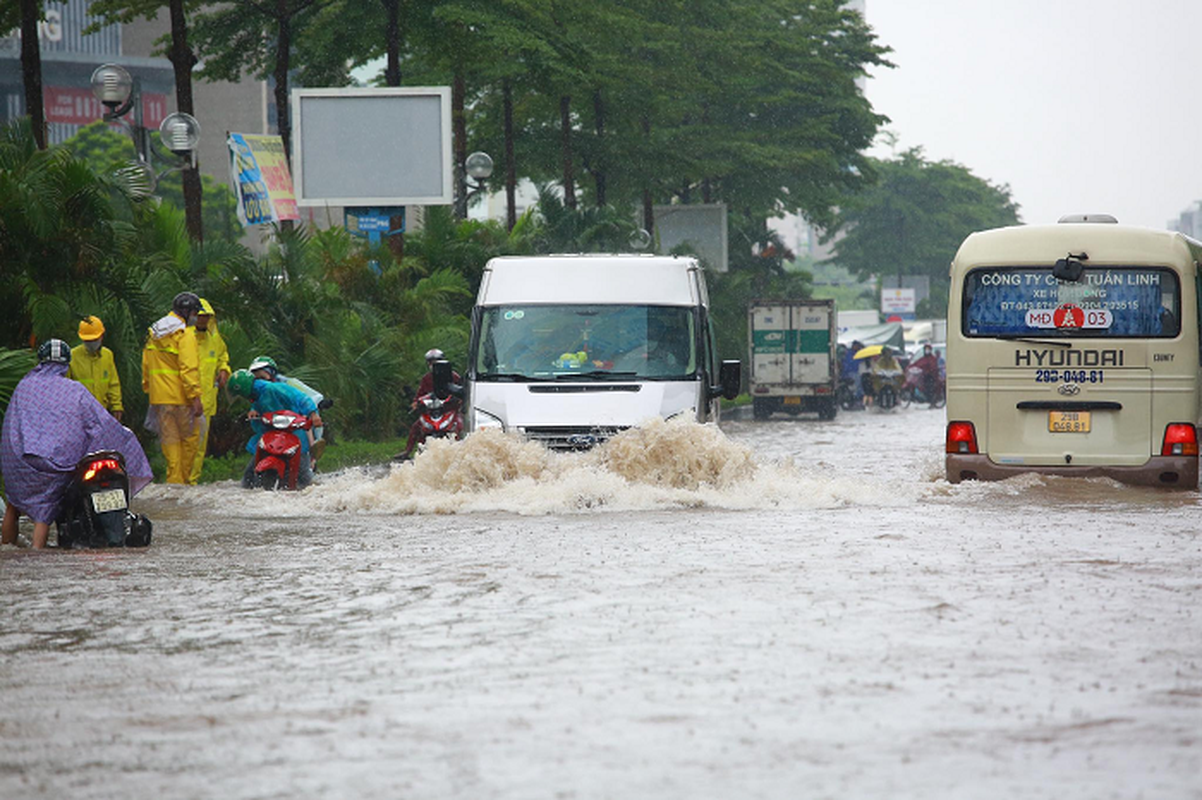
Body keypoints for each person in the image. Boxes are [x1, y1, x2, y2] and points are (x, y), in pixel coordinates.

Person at [1, 340, 152, 549]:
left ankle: (13, 553)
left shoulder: (24, 387)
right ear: (66, 364)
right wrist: (124, 435)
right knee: (43, 514)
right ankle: (37, 555)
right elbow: (99, 423)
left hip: (22, 462)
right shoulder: (75, 390)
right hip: (58, 466)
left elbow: (11, 426)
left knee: (13, 506)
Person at [142, 291, 203, 484]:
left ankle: (174, 483)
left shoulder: (155, 333)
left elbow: (146, 367)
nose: (196, 317)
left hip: (160, 400)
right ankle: (182, 484)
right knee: (189, 442)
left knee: (170, 443)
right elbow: (188, 368)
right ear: (187, 312)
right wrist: (195, 397)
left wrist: (150, 390)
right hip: (181, 400)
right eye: (195, 312)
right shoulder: (184, 334)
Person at [227, 369, 322, 489]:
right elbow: (259, 405)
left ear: (245, 391)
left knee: (303, 479)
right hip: (273, 435)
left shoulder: (273, 388)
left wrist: (313, 414)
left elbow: (300, 397)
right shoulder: (256, 395)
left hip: (295, 431)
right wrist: (253, 411)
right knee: (249, 477)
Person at [189, 299, 231, 485]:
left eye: (207, 317)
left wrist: (224, 370)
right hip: (186, 400)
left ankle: (192, 482)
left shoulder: (214, 338)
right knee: (183, 444)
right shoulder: (184, 337)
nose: (203, 320)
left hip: (207, 401)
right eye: (200, 316)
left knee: (199, 446)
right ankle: (178, 482)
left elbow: (223, 356)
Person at [396, 349, 462, 461]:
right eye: (430, 362)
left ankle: (461, 450)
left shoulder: (453, 376)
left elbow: (461, 390)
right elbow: (420, 394)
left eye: (436, 361)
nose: (433, 364)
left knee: (460, 424)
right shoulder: (426, 378)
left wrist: (459, 399)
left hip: (449, 409)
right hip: (432, 410)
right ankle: (407, 451)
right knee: (416, 427)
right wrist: (416, 402)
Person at [67, 315, 123, 422]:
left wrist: (116, 406)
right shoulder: (72, 356)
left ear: (102, 336)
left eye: (94, 339)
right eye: (88, 341)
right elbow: (65, 388)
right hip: (79, 415)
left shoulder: (107, 356)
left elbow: (113, 384)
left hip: (102, 413)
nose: (91, 343)